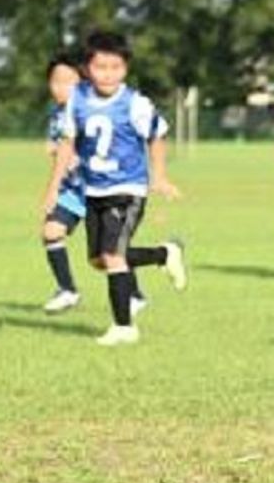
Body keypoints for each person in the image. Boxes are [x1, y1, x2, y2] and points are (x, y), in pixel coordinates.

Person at [41, 30, 187, 346]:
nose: (108, 74)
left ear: (126, 68)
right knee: (99, 261)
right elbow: (67, 144)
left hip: (128, 189)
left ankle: (124, 327)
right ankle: (165, 254)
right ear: (87, 68)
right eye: (101, 67)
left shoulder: (134, 103)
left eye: (116, 67)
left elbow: (157, 136)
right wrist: (53, 188)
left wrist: (159, 177)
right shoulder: (78, 100)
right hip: (93, 191)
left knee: (112, 255)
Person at [40, 51, 88, 313]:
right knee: (51, 231)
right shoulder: (57, 113)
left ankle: (162, 255)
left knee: (107, 255)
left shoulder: (90, 112)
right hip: (72, 190)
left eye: (68, 81)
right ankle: (68, 290)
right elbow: (59, 150)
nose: (60, 87)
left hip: (100, 190)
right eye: (55, 81)